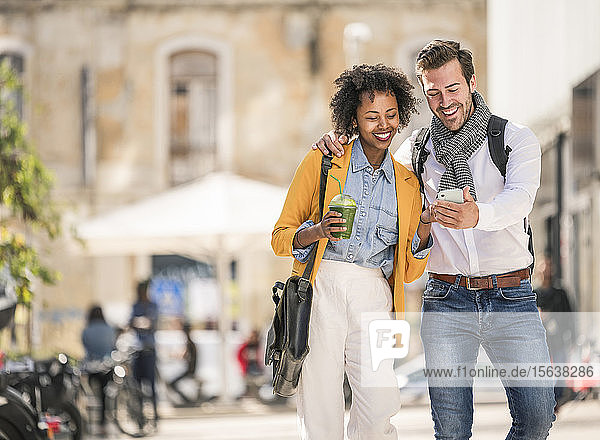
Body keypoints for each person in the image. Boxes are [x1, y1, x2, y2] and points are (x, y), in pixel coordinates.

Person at [313, 40, 555, 439]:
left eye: (453, 89)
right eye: (433, 93)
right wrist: (334, 144)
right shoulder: (417, 150)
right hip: (446, 300)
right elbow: (375, 173)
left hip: (511, 295)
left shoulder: (514, 138)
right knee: (452, 430)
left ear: (472, 82)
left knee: (537, 417)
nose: (444, 101)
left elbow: (521, 199)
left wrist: (479, 215)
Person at [272, 64, 432, 439]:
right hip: (323, 286)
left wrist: (424, 229)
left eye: (391, 115)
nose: (383, 124)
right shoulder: (324, 161)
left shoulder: (408, 183)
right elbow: (281, 237)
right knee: (322, 403)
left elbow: (407, 273)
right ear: (354, 119)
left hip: (377, 295)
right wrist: (318, 230)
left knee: (380, 404)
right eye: (371, 116)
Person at [536, 255, 576, 412]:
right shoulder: (534, 293)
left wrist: (572, 336)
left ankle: (557, 400)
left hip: (559, 338)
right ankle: (548, 400)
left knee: (560, 370)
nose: (546, 270)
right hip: (543, 340)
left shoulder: (560, 292)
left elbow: (570, 316)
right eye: (543, 266)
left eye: (549, 266)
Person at [81, 305, 116, 432]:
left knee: (90, 395)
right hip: (107, 366)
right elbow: (113, 346)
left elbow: (86, 347)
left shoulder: (87, 330)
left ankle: (89, 422)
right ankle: (103, 423)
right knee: (104, 395)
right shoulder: (109, 329)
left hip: (91, 367)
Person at [130, 279, 159, 418]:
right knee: (137, 384)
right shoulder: (136, 306)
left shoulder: (152, 306)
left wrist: (141, 323)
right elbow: (131, 323)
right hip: (138, 350)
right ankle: (139, 413)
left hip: (149, 349)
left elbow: (152, 323)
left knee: (151, 383)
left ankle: (155, 412)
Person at [168, 321, 198, 404]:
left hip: (190, 370)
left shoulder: (190, 343)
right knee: (172, 383)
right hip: (189, 370)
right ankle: (186, 400)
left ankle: (187, 400)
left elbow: (185, 355)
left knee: (171, 383)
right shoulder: (190, 342)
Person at [236, 329, 263, 397]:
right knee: (248, 382)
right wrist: (243, 363)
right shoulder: (246, 345)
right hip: (248, 366)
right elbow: (239, 355)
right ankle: (249, 395)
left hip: (257, 366)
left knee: (257, 382)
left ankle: (256, 395)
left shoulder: (258, 345)